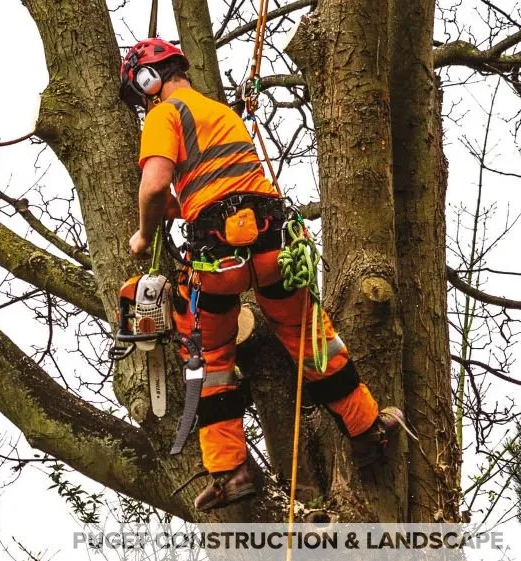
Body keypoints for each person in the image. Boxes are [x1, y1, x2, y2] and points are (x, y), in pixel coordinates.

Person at [119, 38, 404, 512]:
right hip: (273, 243)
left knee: (211, 360)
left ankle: (230, 471)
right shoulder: (221, 114)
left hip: (217, 260)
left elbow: (153, 188)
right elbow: (209, 185)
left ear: (149, 80)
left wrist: (144, 235)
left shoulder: (163, 115)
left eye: (142, 90)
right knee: (311, 336)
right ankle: (366, 428)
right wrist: (176, 204)